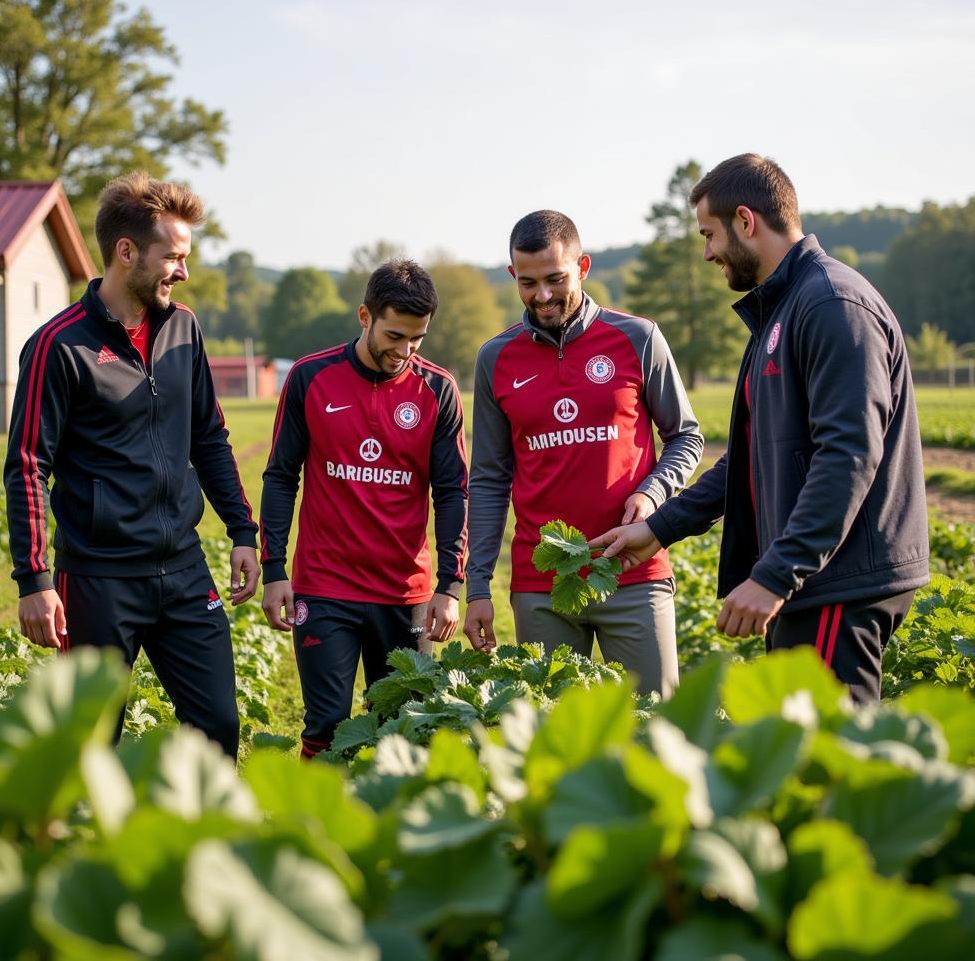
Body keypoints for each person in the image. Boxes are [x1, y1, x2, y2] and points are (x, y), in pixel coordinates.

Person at [591, 153, 929, 704]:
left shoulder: (832, 305)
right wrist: (659, 528)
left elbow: (847, 456)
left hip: (836, 580)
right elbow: (751, 456)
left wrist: (775, 574)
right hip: (812, 579)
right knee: (803, 755)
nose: (706, 253)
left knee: (829, 760)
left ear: (746, 221)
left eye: (709, 234)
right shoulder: (782, 310)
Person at [4, 171, 260, 759]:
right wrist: (35, 580)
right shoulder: (58, 345)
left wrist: (242, 532)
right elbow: (26, 464)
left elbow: (210, 437)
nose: (183, 271)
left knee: (218, 729)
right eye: (173, 257)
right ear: (126, 253)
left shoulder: (183, 328)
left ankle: (200, 845)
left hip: (184, 569)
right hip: (97, 578)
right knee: (90, 747)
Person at [463, 210, 703, 697]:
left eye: (556, 278)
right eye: (528, 283)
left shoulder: (637, 338)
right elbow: (488, 479)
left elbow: (687, 436)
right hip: (542, 583)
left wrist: (653, 494)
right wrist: (478, 585)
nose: (542, 296)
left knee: (655, 730)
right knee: (558, 740)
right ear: (513, 275)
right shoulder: (495, 359)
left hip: (632, 569)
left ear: (583, 267)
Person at [259, 259, 468, 758]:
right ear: (364, 316)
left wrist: (451, 585)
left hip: (405, 592)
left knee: (405, 729)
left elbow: (453, 492)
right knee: (326, 728)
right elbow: (281, 476)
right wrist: (273, 570)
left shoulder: (438, 390)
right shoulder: (311, 378)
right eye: (395, 335)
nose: (405, 351)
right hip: (324, 586)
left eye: (417, 339)